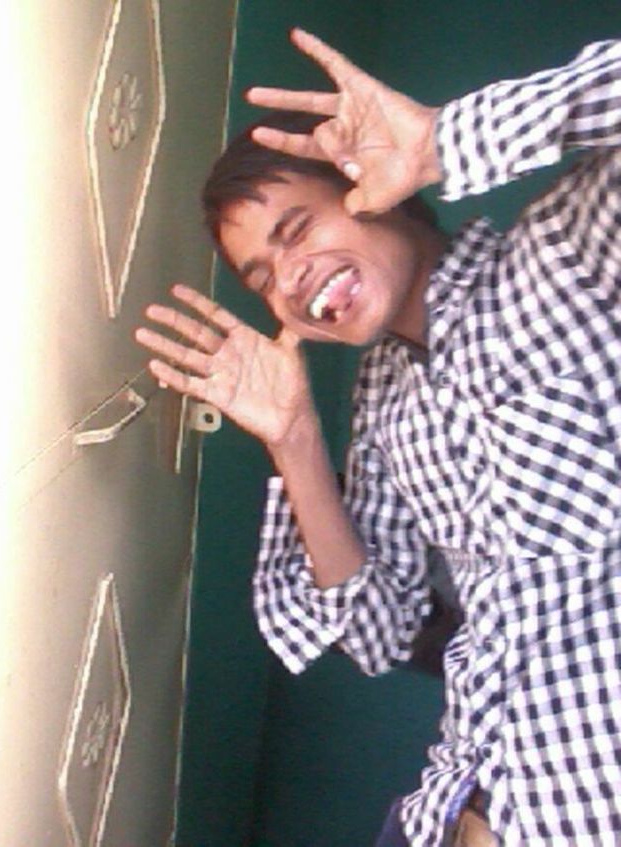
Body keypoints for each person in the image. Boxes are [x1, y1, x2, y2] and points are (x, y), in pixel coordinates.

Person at [136, 29, 621, 847]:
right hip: (456, 806)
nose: (290, 278)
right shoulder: (385, 400)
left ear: (372, 186)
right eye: (264, 277)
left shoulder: (565, 258)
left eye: (297, 229)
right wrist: (295, 440)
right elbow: (380, 629)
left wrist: (438, 142)